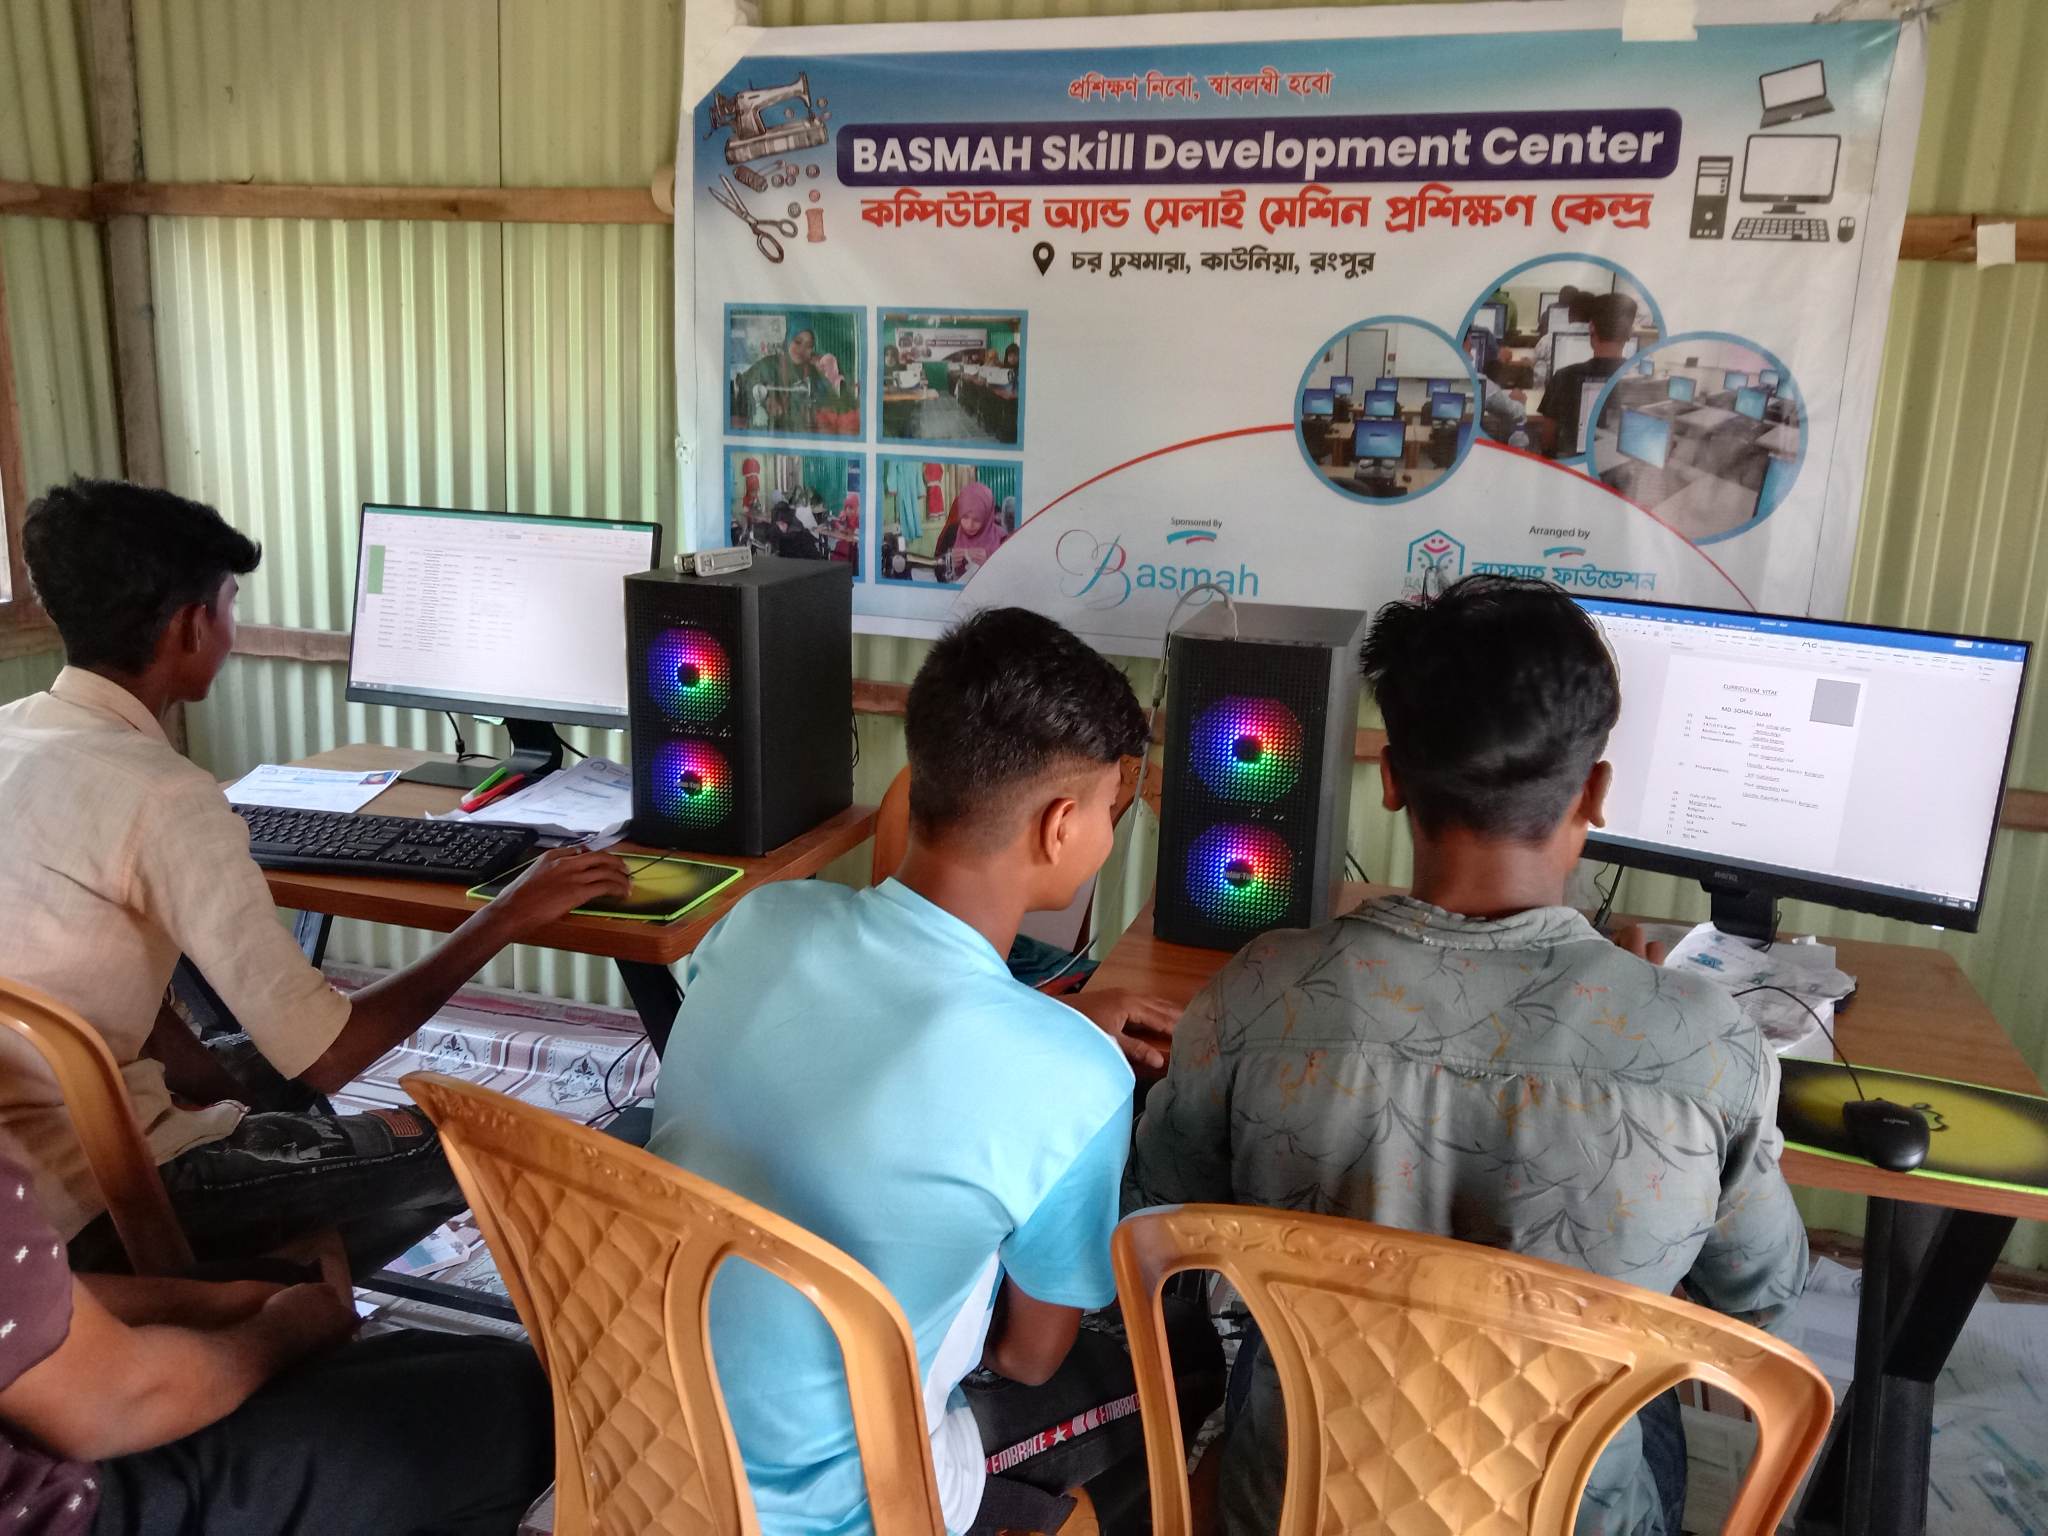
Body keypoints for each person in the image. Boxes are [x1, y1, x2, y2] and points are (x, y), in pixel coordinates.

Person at [1126, 575, 1807, 1536]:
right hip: (1564, 1519)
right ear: (1595, 791)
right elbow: (1762, 1293)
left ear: (1391, 778)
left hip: (1298, 1507)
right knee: (1646, 1386)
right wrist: (1650, 1016)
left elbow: (1162, 1211)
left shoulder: (1259, 992)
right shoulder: (1703, 1043)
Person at [646, 607, 1220, 1536]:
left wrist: (1049, 1027)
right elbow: (1029, 1358)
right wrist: (1055, 1046)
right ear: (1061, 826)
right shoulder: (1073, 1080)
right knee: (1180, 1360)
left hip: (646, 1437)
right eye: (1111, 814)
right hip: (857, 1508)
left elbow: (869, 1038)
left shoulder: (761, 921)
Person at [0, 480, 633, 1276]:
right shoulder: (166, 798)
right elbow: (329, 1056)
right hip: (100, 1189)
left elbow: (129, 1000)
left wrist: (228, 1093)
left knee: (261, 1067)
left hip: (22, 1163)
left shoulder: (12, 734)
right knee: (482, 1142)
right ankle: (288, 1280)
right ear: (194, 625)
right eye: (229, 604)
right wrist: (504, 917)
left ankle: (286, 1262)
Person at [0, 1150, 552, 1534]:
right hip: (66, 1508)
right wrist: (280, 1333)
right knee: (517, 1401)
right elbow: (113, 1403)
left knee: (287, 1288)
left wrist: (216, 1302)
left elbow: (29, 1295)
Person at [1536, 292, 1639, 459]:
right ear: (1629, 334)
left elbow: (1547, 440)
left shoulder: (1563, 377)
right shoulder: (1638, 381)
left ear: (1591, 328)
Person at [736, 325, 826, 433]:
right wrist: (764, 399)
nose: (802, 349)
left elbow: (825, 402)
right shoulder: (767, 365)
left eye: (809, 346)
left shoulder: (813, 372)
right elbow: (743, 385)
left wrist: (823, 373)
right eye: (798, 342)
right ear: (788, 341)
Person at [932, 481, 1007, 583]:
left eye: (977, 520)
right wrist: (949, 563)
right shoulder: (952, 532)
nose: (969, 525)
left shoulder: (1002, 538)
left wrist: (989, 562)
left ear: (986, 517)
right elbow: (936, 570)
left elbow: (1010, 578)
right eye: (965, 517)